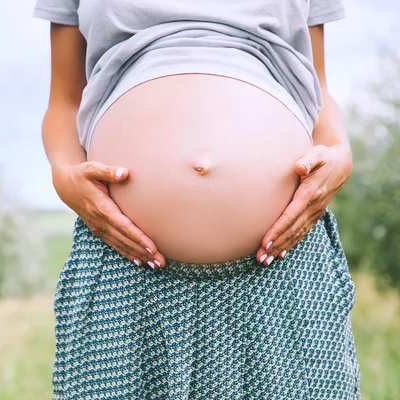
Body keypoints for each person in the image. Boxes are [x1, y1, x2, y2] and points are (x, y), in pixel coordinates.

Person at [34, 0, 360, 398]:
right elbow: (64, 101)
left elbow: (316, 89)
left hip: (280, 264)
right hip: (125, 263)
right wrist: (64, 174)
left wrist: (339, 150)